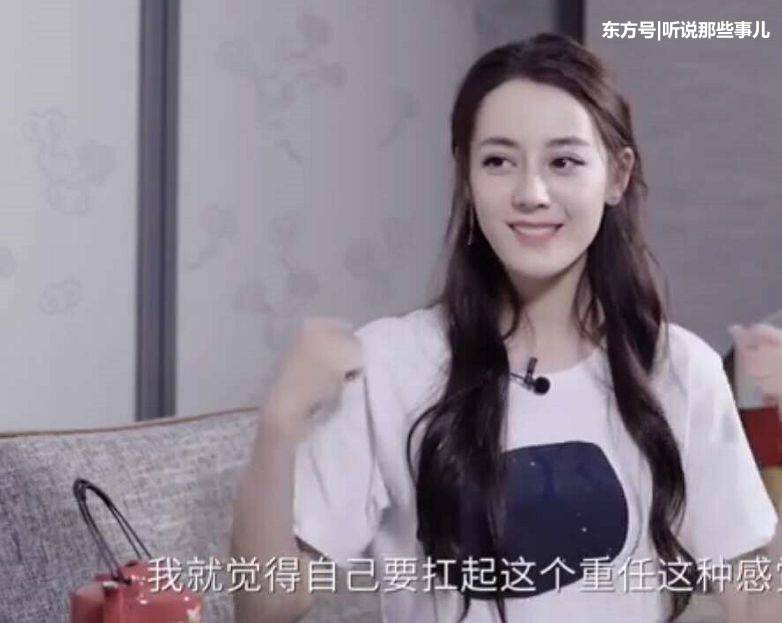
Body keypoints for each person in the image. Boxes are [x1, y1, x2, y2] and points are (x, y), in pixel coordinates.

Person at [231, 33, 779, 623]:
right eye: (498, 161)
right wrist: (277, 429)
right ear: (467, 177)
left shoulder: (679, 370)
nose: (531, 194)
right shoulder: (389, 363)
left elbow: (757, 606)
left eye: (563, 162)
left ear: (617, 176)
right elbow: (266, 606)